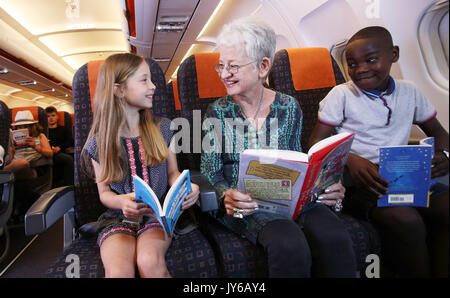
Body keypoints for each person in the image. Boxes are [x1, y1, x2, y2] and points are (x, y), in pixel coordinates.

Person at [200, 18, 356, 277]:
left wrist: (326, 185)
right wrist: (225, 195)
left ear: (263, 66)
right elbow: (209, 172)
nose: (224, 74)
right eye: (221, 66)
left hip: (289, 196)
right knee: (288, 244)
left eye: (234, 66)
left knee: (335, 238)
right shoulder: (216, 111)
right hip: (245, 202)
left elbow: (296, 161)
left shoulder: (289, 106)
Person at [309, 26, 449, 277]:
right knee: (407, 221)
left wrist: (444, 157)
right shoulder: (341, 95)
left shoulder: (410, 92)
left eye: (371, 60)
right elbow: (314, 145)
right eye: (352, 64)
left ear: (393, 54)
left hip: (408, 178)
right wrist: (351, 160)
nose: (360, 69)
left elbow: (440, 135)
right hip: (364, 186)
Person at [80, 53, 200, 278]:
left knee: (149, 261)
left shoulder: (163, 128)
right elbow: (104, 193)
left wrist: (186, 187)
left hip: (157, 214)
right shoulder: (99, 142)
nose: (153, 86)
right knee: (118, 272)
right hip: (118, 218)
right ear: (119, 90)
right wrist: (121, 202)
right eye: (144, 80)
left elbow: (172, 173)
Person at [5, 110, 53, 180]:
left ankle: (3, 174)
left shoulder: (40, 136)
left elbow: (50, 154)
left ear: (32, 126)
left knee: (23, 163)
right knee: (19, 164)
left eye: (26, 126)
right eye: (19, 127)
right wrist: (12, 149)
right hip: (14, 166)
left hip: (32, 167)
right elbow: (9, 160)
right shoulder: (13, 138)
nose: (22, 129)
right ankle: (5, 176)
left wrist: (35, 146)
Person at [45, 106, 74, 186]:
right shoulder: (44, 131)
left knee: (68, 159)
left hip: (59, 152)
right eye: (48, 116)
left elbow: (70, 141)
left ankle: (69, 185)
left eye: (53, 115)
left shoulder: (63, 129)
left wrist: (60, 147)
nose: (51, 118)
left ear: (57, 117)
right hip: (46, 153)